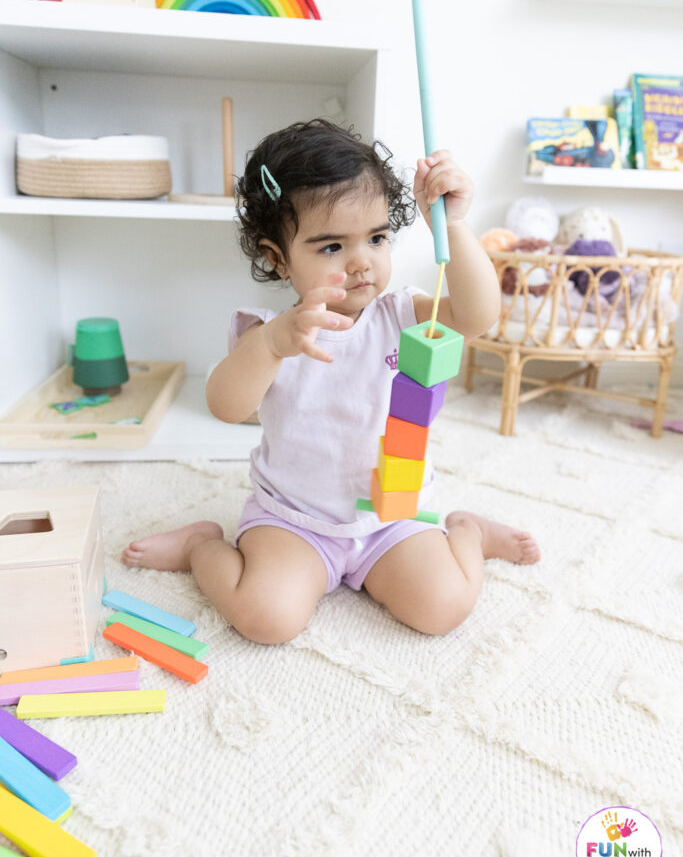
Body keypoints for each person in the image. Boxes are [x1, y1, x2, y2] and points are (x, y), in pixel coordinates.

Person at [122, 120, 540, 644]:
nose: (363, 260)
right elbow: (225, 406)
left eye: (377, 237)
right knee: (266, 619)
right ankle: (201, 547)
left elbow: (478, 317)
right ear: (278, 259)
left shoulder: (401, 314)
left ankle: (468, 532)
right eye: (331, 248)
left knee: (445, 607)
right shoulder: (268, 334)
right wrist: (275, 343)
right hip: (294, 519)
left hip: (392, 516)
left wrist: (451, 226)